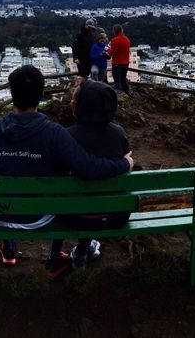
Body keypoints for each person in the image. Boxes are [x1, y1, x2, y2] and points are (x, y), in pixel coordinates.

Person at [0, 65, 134, 279]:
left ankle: (8, 246)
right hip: (38, 216)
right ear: (41, 95)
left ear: (12, 95)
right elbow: (89, 167)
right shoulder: (54, 133)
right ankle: (55, 259)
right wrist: (125, 164)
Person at [59, 80, 131, 267]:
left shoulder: (67, 136)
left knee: (81, 197)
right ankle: (84, 248)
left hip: (73, 217)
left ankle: (78, 251)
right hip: (115, 215)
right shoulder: (118, 134)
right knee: (96, 196)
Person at [108, 24, 131, 94]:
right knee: (123, 80)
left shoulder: (114, 40)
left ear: (114, 31)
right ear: (121, 30)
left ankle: (118, 96)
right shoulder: (127, 39)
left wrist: (107, 51)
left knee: (117, 81)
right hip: (125, 63)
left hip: (117, 64)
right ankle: (127, 93)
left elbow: (112, 52)